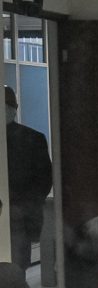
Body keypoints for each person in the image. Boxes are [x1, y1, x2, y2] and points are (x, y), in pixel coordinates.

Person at [5, 86, 52, 271]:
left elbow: (44, 180)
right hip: (19, 213)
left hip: (20, 215)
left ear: (14, 109)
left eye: (7, 105)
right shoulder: (32, 138)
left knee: (17, 266)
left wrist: (23, 208)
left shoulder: (32, 139)